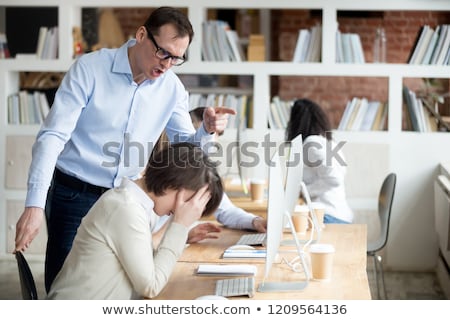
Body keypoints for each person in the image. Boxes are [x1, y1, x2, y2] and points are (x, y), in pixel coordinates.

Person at [14, 6, 235, 293]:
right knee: (68, 284)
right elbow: (52, 137)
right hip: (74, 192)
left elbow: (186, 156)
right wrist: (34, 204)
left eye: (177, 58)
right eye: (163, 53)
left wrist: (205, 131)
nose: (168, 64)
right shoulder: (90, 69)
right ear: (142, 35)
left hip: (128, 201)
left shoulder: (172, 89)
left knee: (122, 284)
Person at [47, 142, 223, 299]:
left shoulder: (134, 202)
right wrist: (179, 226)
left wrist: (181, 233)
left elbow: (142, 253)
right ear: (176, 186)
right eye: (190, 202)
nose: (187, 210)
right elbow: (151, 286)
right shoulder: (125, 209)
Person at [152, 107, 267, 242]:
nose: (212, 146)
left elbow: (225, 210)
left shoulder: (198, 175)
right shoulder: (163, 175)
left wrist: (256, 221)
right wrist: (182, 232)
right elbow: (146, 239)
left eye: (214, 137)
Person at [286, 98, 353, 224]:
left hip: (328, 216)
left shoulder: (311, 144)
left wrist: (305, 192)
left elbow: (334, 179)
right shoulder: (329, 143)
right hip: (339, 214)